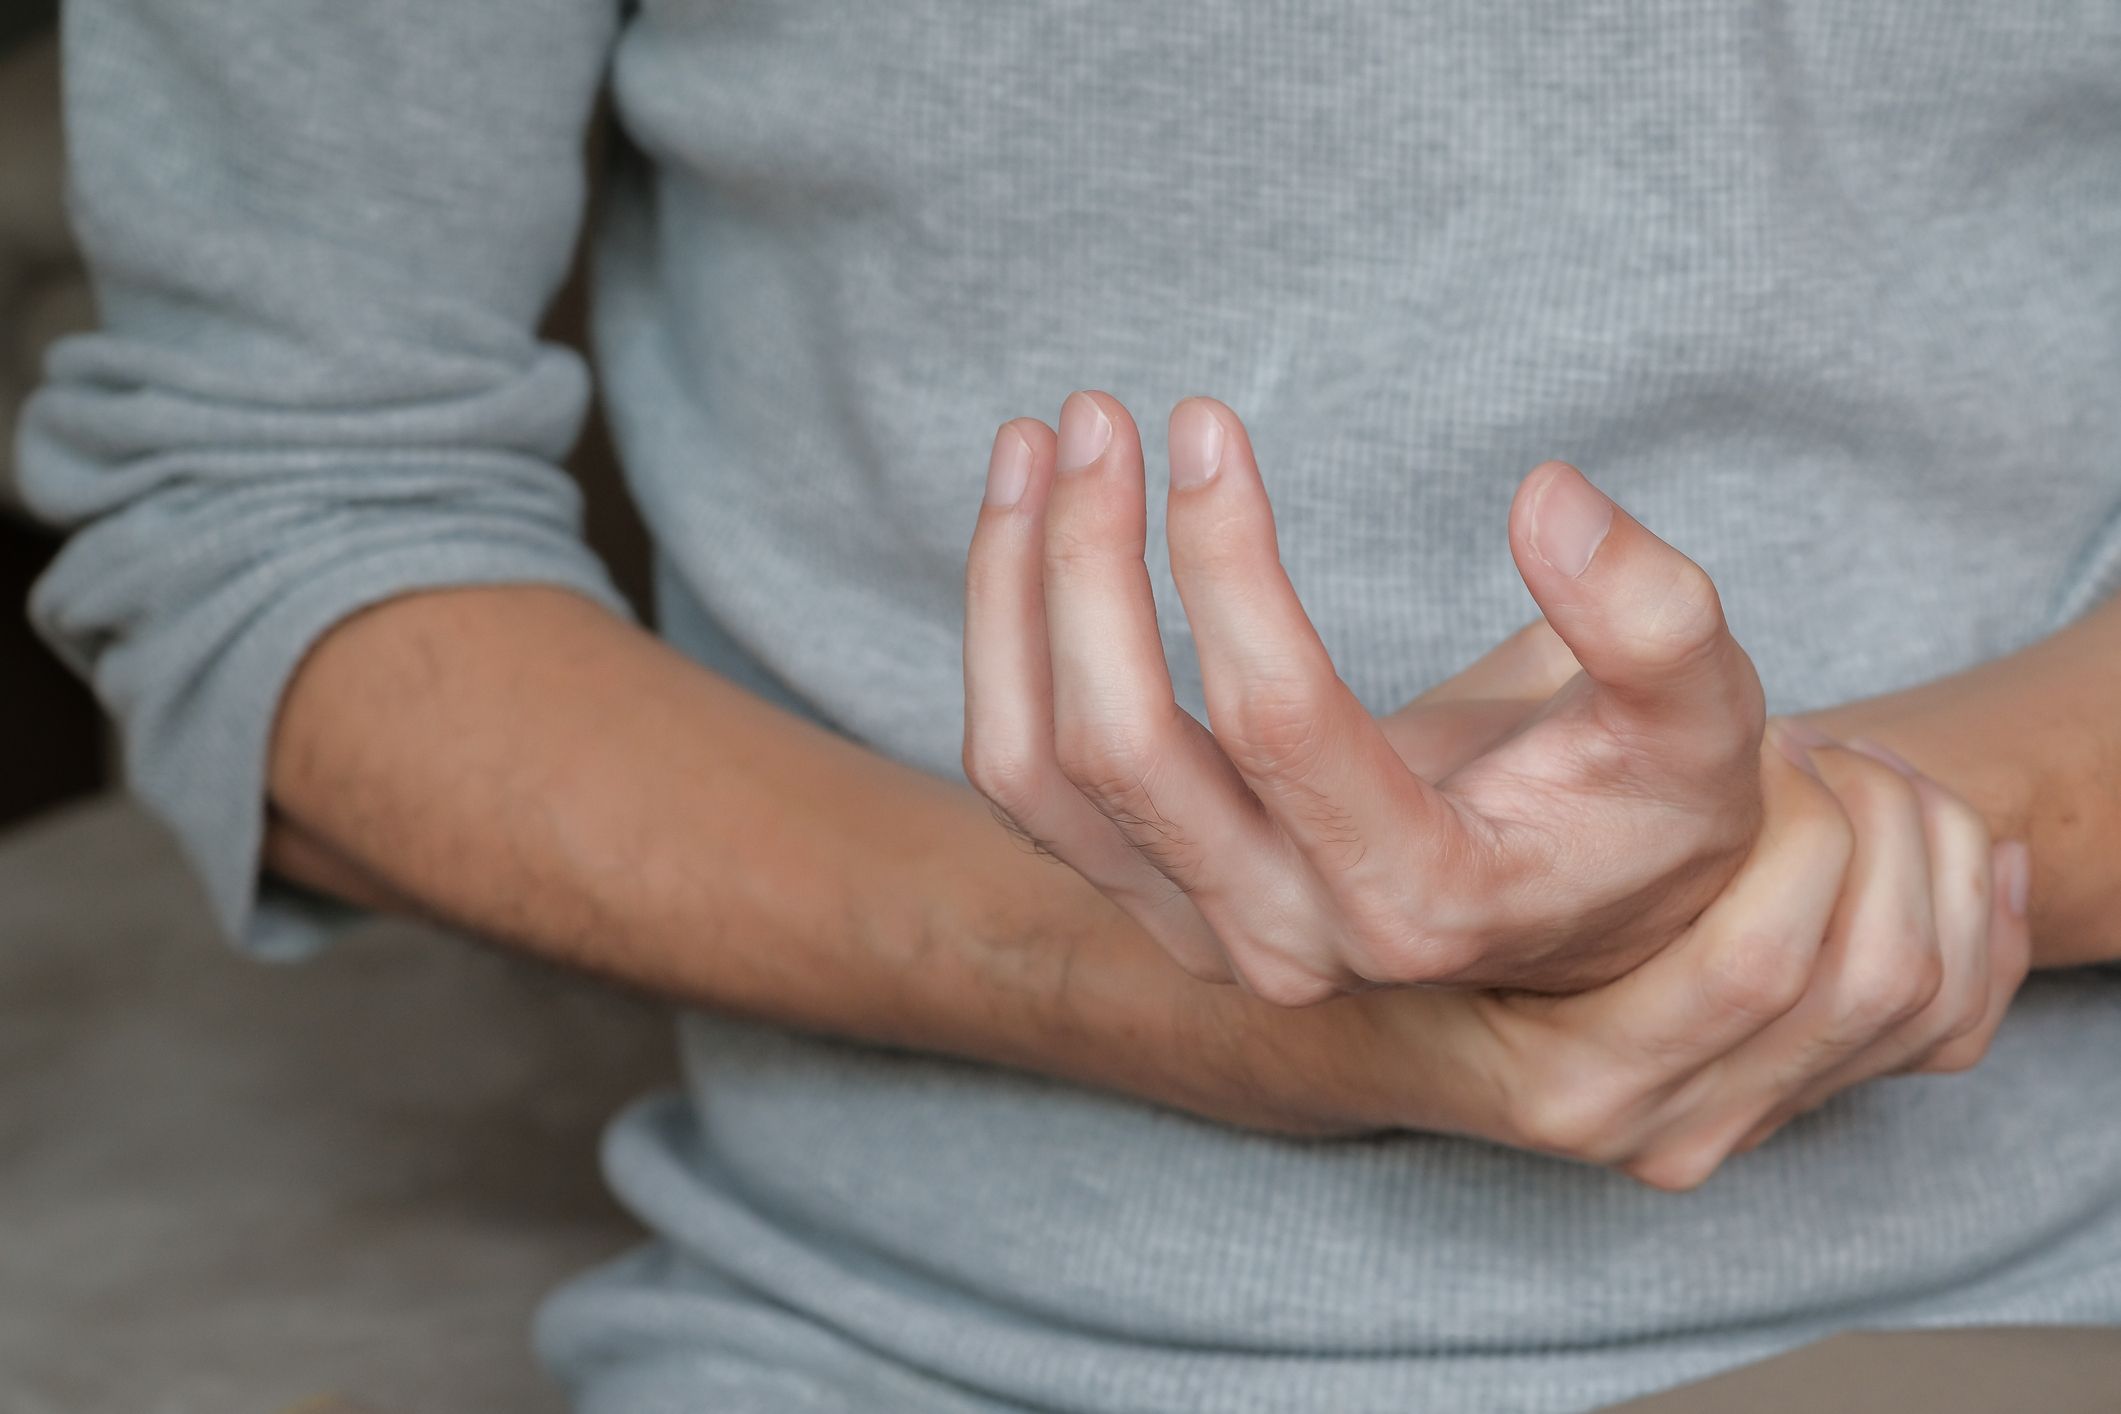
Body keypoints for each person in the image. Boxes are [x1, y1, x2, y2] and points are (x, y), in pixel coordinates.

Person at [19, 2, 2121, 1410]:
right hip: (904, 1347)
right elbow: (271, 504)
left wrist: (1795, 850)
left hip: (2028, 1306)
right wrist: (1170, 979)